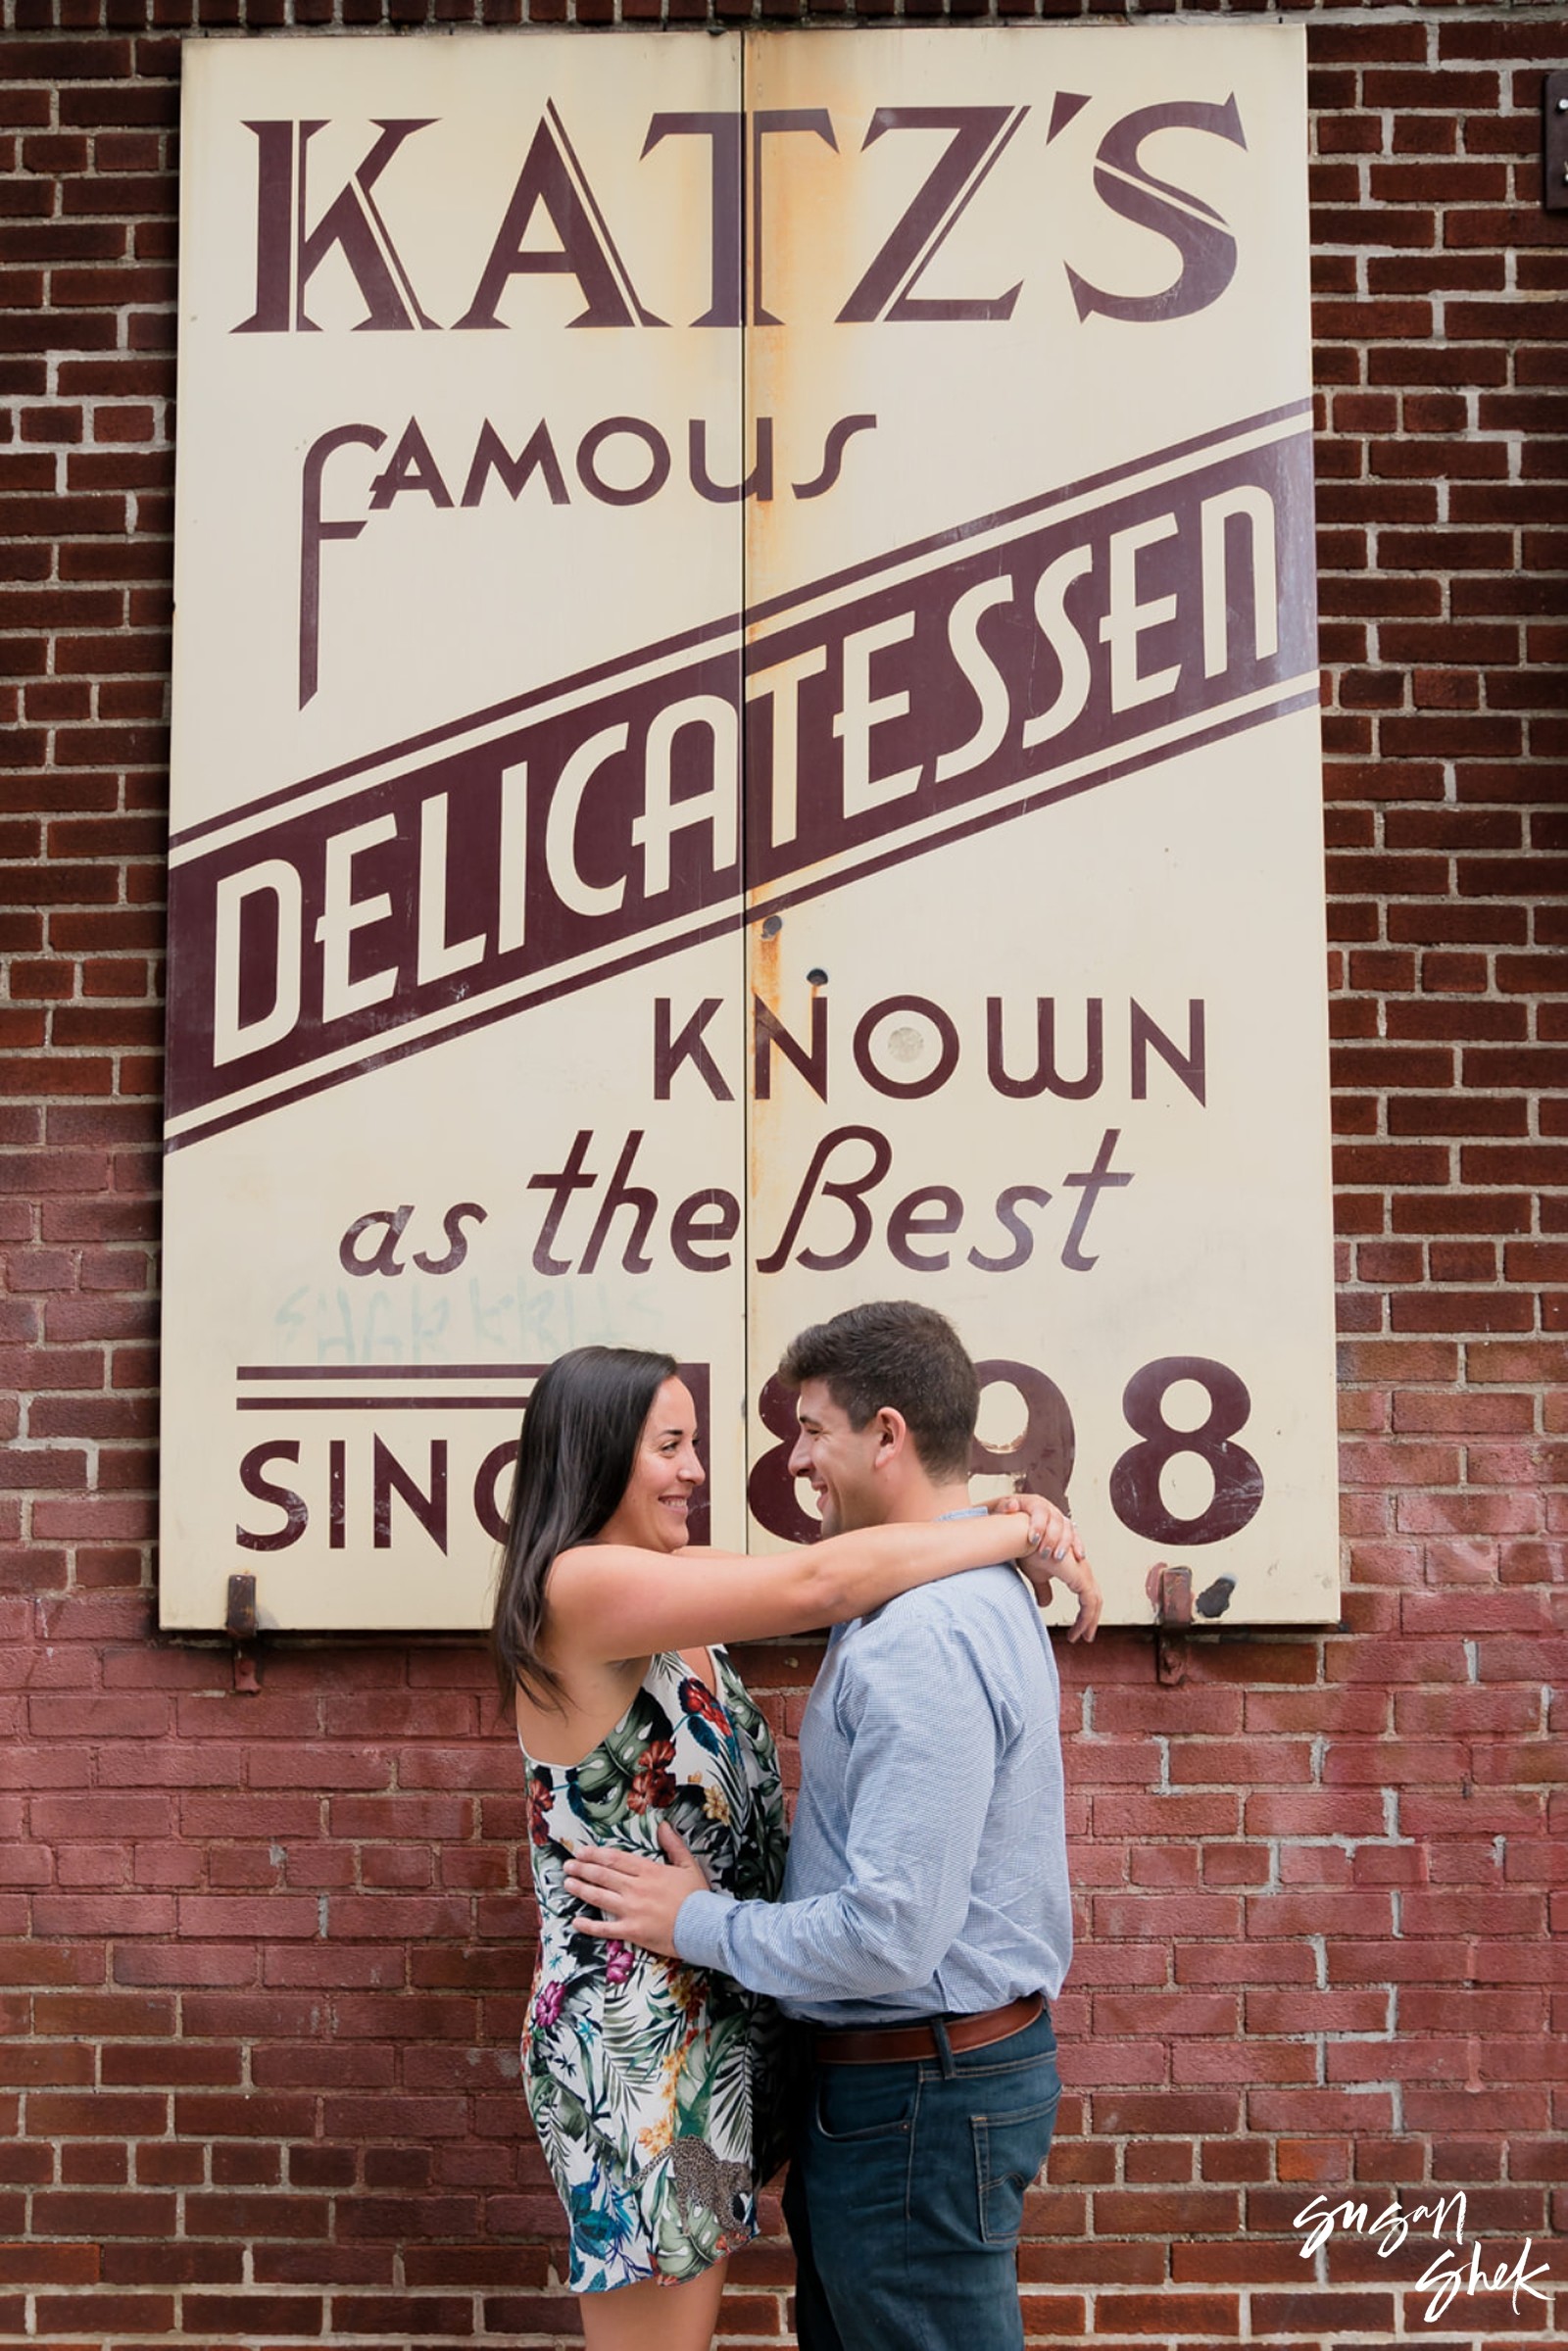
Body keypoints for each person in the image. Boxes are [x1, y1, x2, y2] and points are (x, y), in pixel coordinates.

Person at [493, 1341, 1087, 2351]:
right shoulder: (580, 1587)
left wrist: (1011, 1521)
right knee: (658, 2346)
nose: (696, 1468)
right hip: (639, 2056)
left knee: (697, 2322)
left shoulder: (675, 1579)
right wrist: (1010, 1534)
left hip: (711, 2041)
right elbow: (819, 1583)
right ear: (597, 1452)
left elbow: (854, 1570)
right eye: (670, 1444)